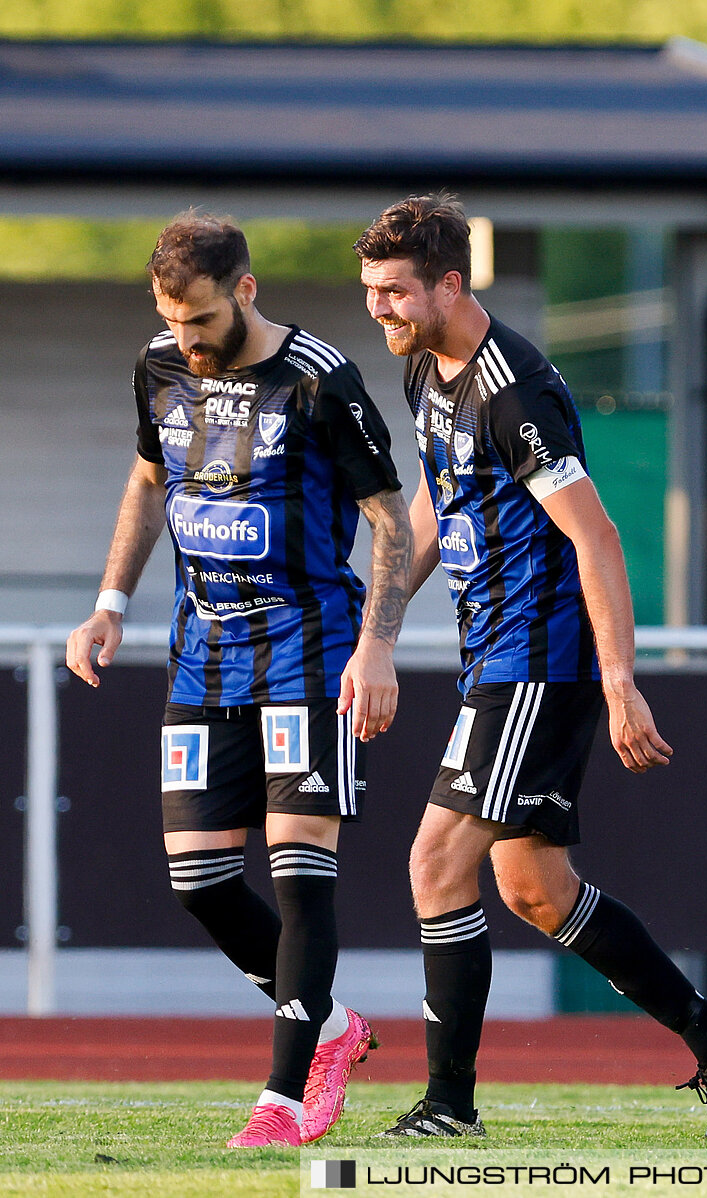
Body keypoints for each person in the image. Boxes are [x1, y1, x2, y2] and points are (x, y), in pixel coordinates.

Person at [354, 195, 707, 1140]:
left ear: (450, 284)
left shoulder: (515, 389)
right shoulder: (428, 365)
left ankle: (448, 1107)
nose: (379, 309)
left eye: (394, 292)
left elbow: (598, 536)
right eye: (372, 291)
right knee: (534, 888)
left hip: (534, 662)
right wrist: (378, 624)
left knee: (433, 865)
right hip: (500, 658)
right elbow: (439, 499)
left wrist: (621, 679)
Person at [66, 212, 410, 1147]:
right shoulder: (160, 365)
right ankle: (334, 1025)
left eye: (204, 321)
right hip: (204, 653)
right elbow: (147, 482)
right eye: (175, 323)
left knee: (300, 874)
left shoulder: (319, 378)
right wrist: (109, 601)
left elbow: (391, 520)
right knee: (199, 879)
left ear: (247, 291)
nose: (190, 341)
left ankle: (288, 1096)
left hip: (310, 648)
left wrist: (376, 647)